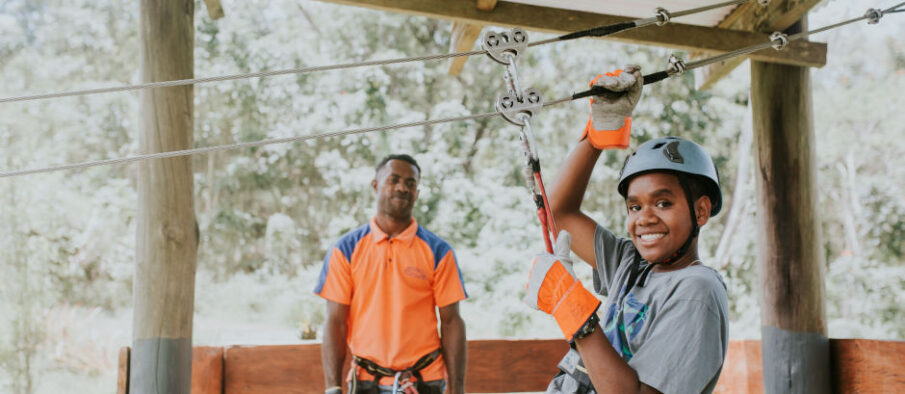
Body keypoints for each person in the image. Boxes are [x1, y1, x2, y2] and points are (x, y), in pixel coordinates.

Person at [524, 66, 729, 394]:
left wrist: (573, 310)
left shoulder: (696, 290)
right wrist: (597, 135)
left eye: (663, 203)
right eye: (635, 206)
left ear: (701, 211)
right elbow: (559, 214)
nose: (644, 218)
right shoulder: (630, 263)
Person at [314, 154, 468, 394]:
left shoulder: (438, 251)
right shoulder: (345, 249)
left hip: (425, 381)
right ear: (375, 186)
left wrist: (457, 390)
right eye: (393, 179)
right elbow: (335, 322)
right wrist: (332, 388)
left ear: (417, 192)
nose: (402, 188)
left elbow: (451, 322)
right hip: (366, 381)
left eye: (411, 183)